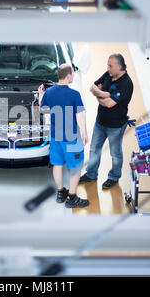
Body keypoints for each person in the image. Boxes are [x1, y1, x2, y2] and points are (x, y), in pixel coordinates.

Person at [79, 53, 134, 189]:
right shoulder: (109, 74)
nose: (108, 68)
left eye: (110, 66)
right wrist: (103, 94)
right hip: (100, 122)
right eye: (107, 65)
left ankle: (114, 177)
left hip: (115, 126)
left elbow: (109, 104)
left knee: (115, 153)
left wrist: (99, 95)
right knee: (94, 149)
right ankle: (91, 174)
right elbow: (92, 88)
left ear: (119, 67)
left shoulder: (126, 84)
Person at [38, 64, 90, 208]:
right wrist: (85, 133)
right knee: (76, 167)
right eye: (72, 74)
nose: (73, 76)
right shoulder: (74, 94)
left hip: (55, 137)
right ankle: (72, 198)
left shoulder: (49, 92)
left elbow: (42, 108)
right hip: (71, 138)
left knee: (57, 164)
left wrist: (41, 94)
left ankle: (61, 193)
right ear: (68, 76)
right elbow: (79, 117)